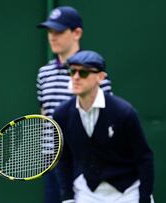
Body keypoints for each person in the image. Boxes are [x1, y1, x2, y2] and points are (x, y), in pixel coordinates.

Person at [53, 50, 154, 203]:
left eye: (83, 73)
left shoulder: (124, 112)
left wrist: (145, 197)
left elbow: (144, 158)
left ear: (100, 77)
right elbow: (63, 158)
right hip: (88, 192)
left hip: (128, 192)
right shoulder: (62, 114)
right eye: (72, 71)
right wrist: (67, 197)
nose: (76, 77)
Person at [36, 6, 113, 203]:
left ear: (77, 33)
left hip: (86, 165)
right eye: (50, 32)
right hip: (52, 165)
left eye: (59, 32)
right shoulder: (43, 74)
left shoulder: (95, 73)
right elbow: (44, 113)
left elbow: (105, 119)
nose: (53, 37)